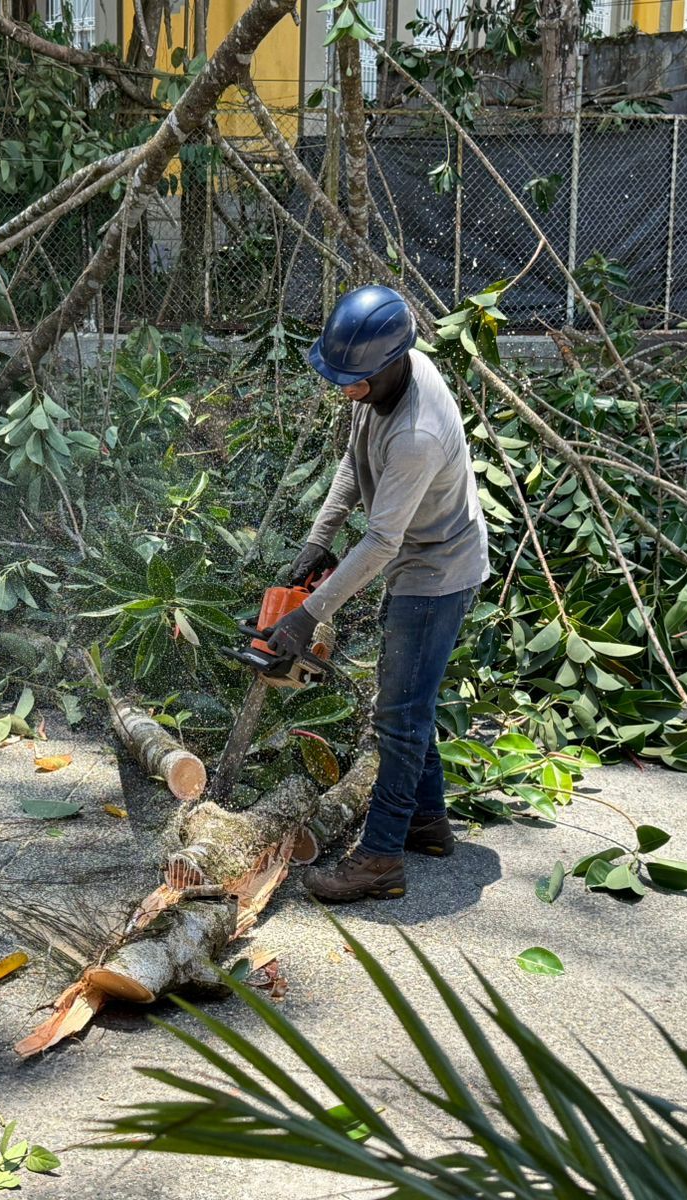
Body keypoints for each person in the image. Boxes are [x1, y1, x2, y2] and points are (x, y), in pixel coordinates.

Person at [265, 284, 491, 902]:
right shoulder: (381, 378)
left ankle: (382, 856)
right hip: (412, 557)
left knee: (397, 714)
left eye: (354, 380)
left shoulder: (417, 432)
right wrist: (318, 540)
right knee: (410, 698)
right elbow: (352, 459)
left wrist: (309, 615)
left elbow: (384, 543)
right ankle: (427, 821)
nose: (346, 390)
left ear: (392, 364)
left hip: (437, 570)